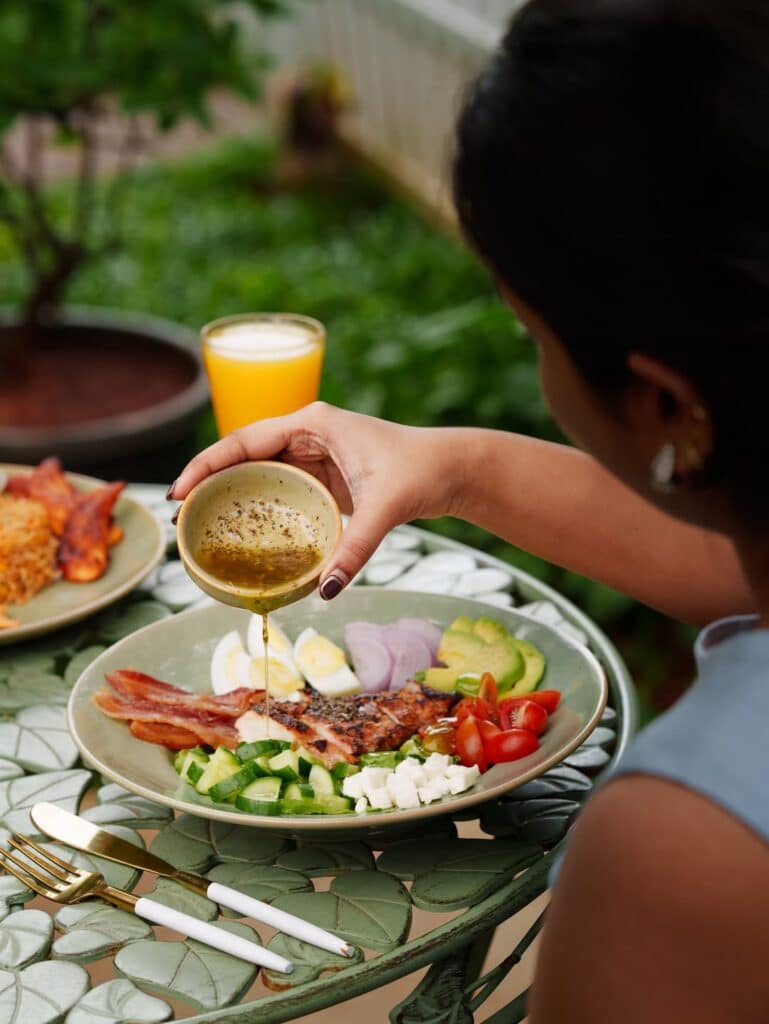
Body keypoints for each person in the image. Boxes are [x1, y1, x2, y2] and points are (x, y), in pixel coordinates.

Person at [169, 0, 769, 1018]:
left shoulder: (689, 843)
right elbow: (728, 562)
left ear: (665, 402)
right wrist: (451, 467)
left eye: (527, 327)